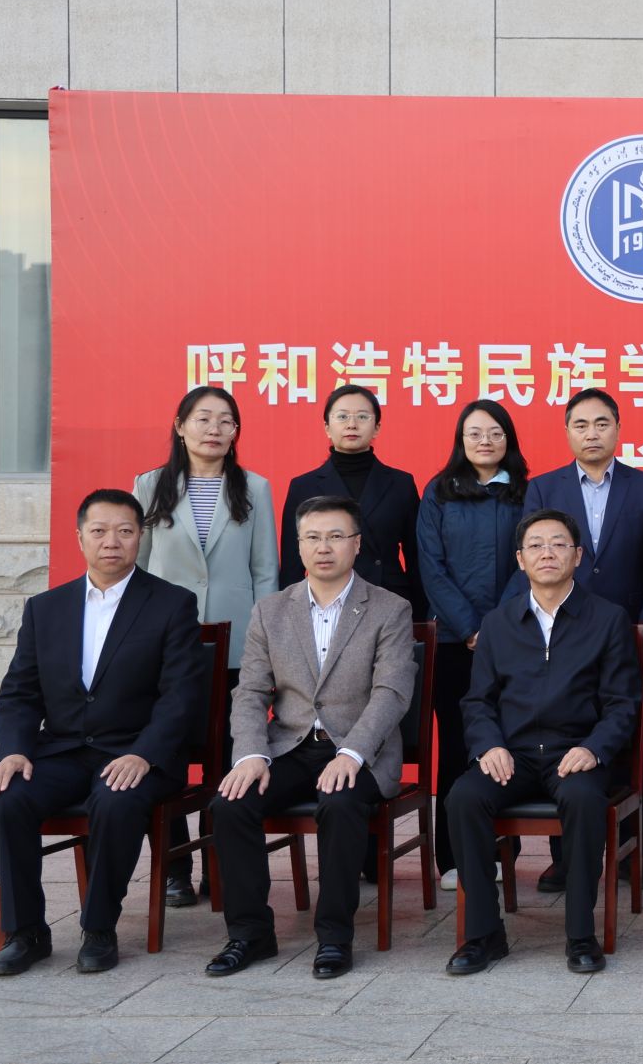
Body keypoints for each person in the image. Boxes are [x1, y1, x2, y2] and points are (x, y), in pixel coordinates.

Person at [0, 490, 205, 976]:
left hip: (136, 753)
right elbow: (19, 693)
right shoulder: (45, 608)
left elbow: (181, 696)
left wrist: (145, 753)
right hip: (62, 751)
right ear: (79, 537)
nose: (111, 542)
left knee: (116, 799)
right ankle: (26, 932)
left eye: (124, 531)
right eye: (99, 531)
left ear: (140, 537)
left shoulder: (172, 604)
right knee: (1, 801)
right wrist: (14, 750)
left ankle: (100, 927)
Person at [207, 495, 415, 981]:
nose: (324, 547)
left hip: (360, 749)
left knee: (340, 802)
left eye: (336, 536)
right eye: (313, 537)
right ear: (298, 546)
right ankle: (250, 934)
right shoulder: (270, 611)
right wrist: (251, 754)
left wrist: (352, 752)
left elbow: (391, 692)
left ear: (357, 544)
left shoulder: (390, 608)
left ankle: (335, 936)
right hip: (290, 746)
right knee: (230, 804)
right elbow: (250, 691)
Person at [447, 509, 643, 976]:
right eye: (536, 545)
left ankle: (580, 934)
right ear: (520, 559)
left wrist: (593, 748)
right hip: (511, 754)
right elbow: (477, 701)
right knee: (463, 798)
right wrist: (489, 746)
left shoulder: (608, 619)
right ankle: (483, 934)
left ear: (578, 555)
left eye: (559, 544)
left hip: (575, 754)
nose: (547, 553)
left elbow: (622, 703)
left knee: (583, 799)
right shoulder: (498, 623)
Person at [507, 387, 643, 892]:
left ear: (618, 429)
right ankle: (566, 856)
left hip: (625, 637)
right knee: (564, 735)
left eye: (602, 423)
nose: (592, 433)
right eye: (581, 424)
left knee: (627, 739)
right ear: (567, 432)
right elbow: (533, 560)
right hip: (561, 633)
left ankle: (633, 852)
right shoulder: (543, 488)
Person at [132, 385, 278, 908]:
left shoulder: (254, 488)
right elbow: (138, 568)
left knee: (228, 757)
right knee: (165, 753)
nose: (214, 429)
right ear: (179, 425)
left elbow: (265, 571)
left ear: (236, 431)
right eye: (202, 418)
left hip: (236, 645)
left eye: (225, 421)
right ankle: (175, 869)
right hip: (166, 646)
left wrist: (264, 645)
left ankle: (222, 863)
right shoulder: (150, 485)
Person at [415, 400, 527, 892]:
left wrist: (495, 628)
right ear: (461, 441)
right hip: (452, 641)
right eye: (475, 433)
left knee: (509, 742)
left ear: (509, 440)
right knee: (458, 745)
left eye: (495, 432)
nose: (485, 441)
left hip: (514, 637)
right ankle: (454, 857)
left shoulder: (525, 492)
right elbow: (431, 567)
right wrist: (468, 628)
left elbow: (530, 562)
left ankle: (504, 852)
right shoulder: (438, 492)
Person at [278, 383, 424, 618]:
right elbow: (292, 565)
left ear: (377, 427)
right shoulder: (303, 486)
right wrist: (290, 617)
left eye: (362, 417)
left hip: (389, 600)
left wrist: (421, 616)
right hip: (325, 602)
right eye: (342, 416)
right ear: (327, 427)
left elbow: (417, 559)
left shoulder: (401, 484)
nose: (352, 424)